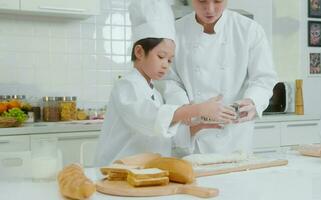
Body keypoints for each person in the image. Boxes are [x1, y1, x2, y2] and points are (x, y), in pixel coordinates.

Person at [94, 0, 236, 167]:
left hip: (145, 174)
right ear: (139, 52)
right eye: (161, 57)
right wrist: (197, 109)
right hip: (117, 173)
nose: (166, 65)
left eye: (170, 60)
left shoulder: (154, 92)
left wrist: (197, 128)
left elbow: (161, 136)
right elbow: (149, 117)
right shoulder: (126, 86)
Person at [158, 0, 278, 155]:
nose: (210, 9)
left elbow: (264, 78)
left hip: (235, 137)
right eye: (202, 1)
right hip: (192, 135)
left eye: (217, 1)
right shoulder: (175, 31)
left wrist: (252, 101)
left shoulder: (249, 30)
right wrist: (186, 109)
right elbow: (169, 80)